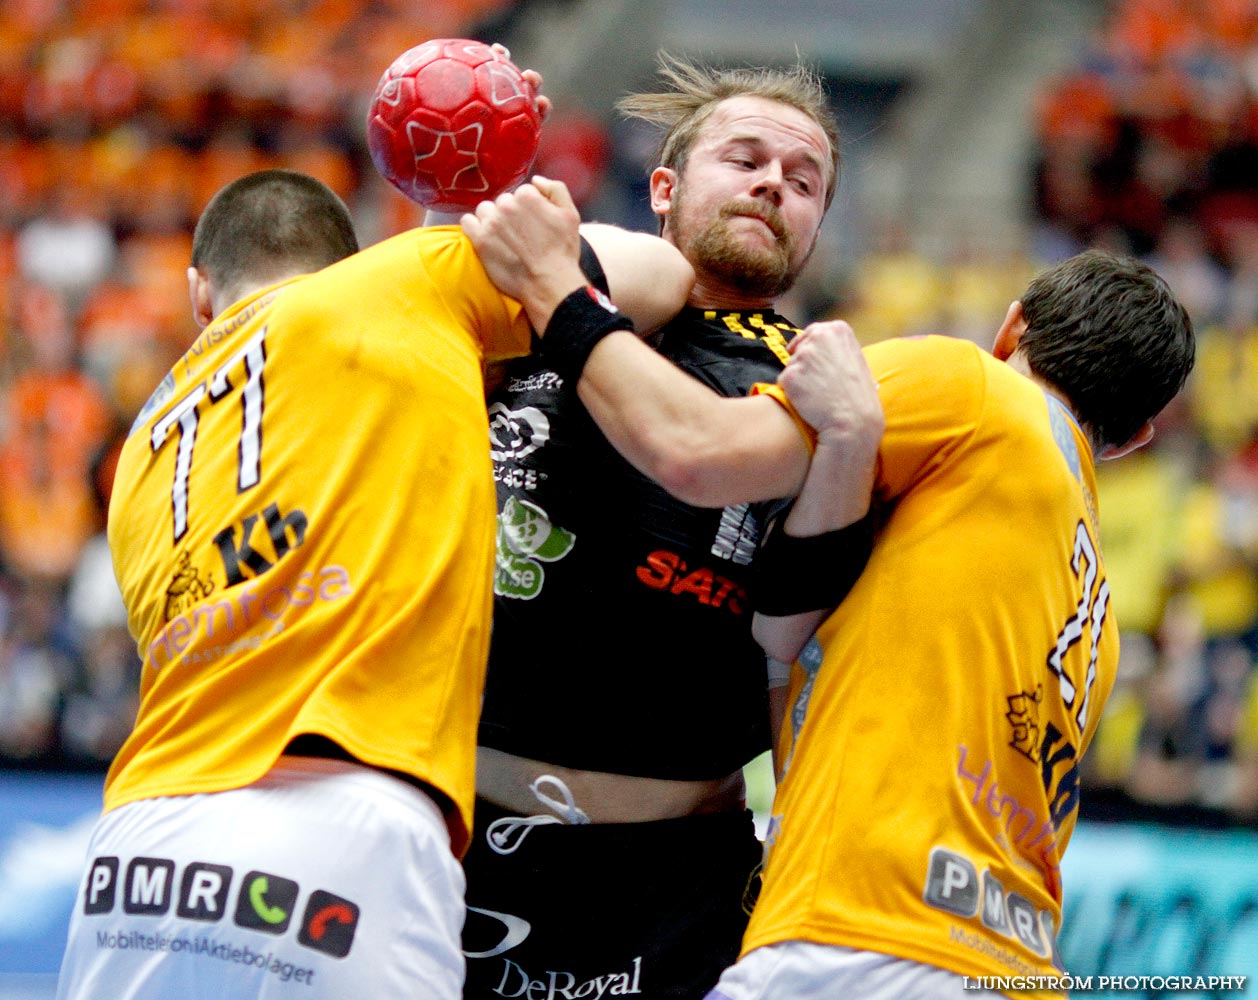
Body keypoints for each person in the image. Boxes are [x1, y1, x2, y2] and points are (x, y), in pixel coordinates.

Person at [54, 167, 693, 1000]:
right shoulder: (390, 289)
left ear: (199, 293)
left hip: (140, 841)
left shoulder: (136, 447)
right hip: (339, 812)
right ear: (347, 259)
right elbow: (659, 274)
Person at [457, 53, 849, 999]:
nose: (772, 184)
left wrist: (562, 288)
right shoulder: (561, 285)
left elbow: (691, 450)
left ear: (815, 232)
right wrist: (467, 183)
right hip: (449, 832)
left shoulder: (816, 382)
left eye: (803, 183)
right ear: (664, 187)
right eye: (744, 159)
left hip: (660, 888)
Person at [704, 250, 1196, 999]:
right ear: (1132, 439)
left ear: (1010, 328)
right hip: (1010, 964)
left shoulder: (974, 390)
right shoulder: (1099, 617)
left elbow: (707, 454)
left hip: (864, 941)